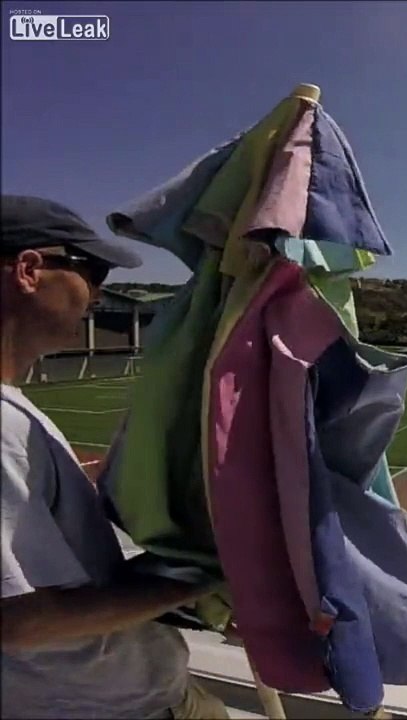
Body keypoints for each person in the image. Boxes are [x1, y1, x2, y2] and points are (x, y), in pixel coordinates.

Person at [0, 195, 228, 718]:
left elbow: (66, 582)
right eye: (92, 270)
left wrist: (183, 582)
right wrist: (213, 575)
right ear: (29, 270)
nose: (99, 293)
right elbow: (17, 621)